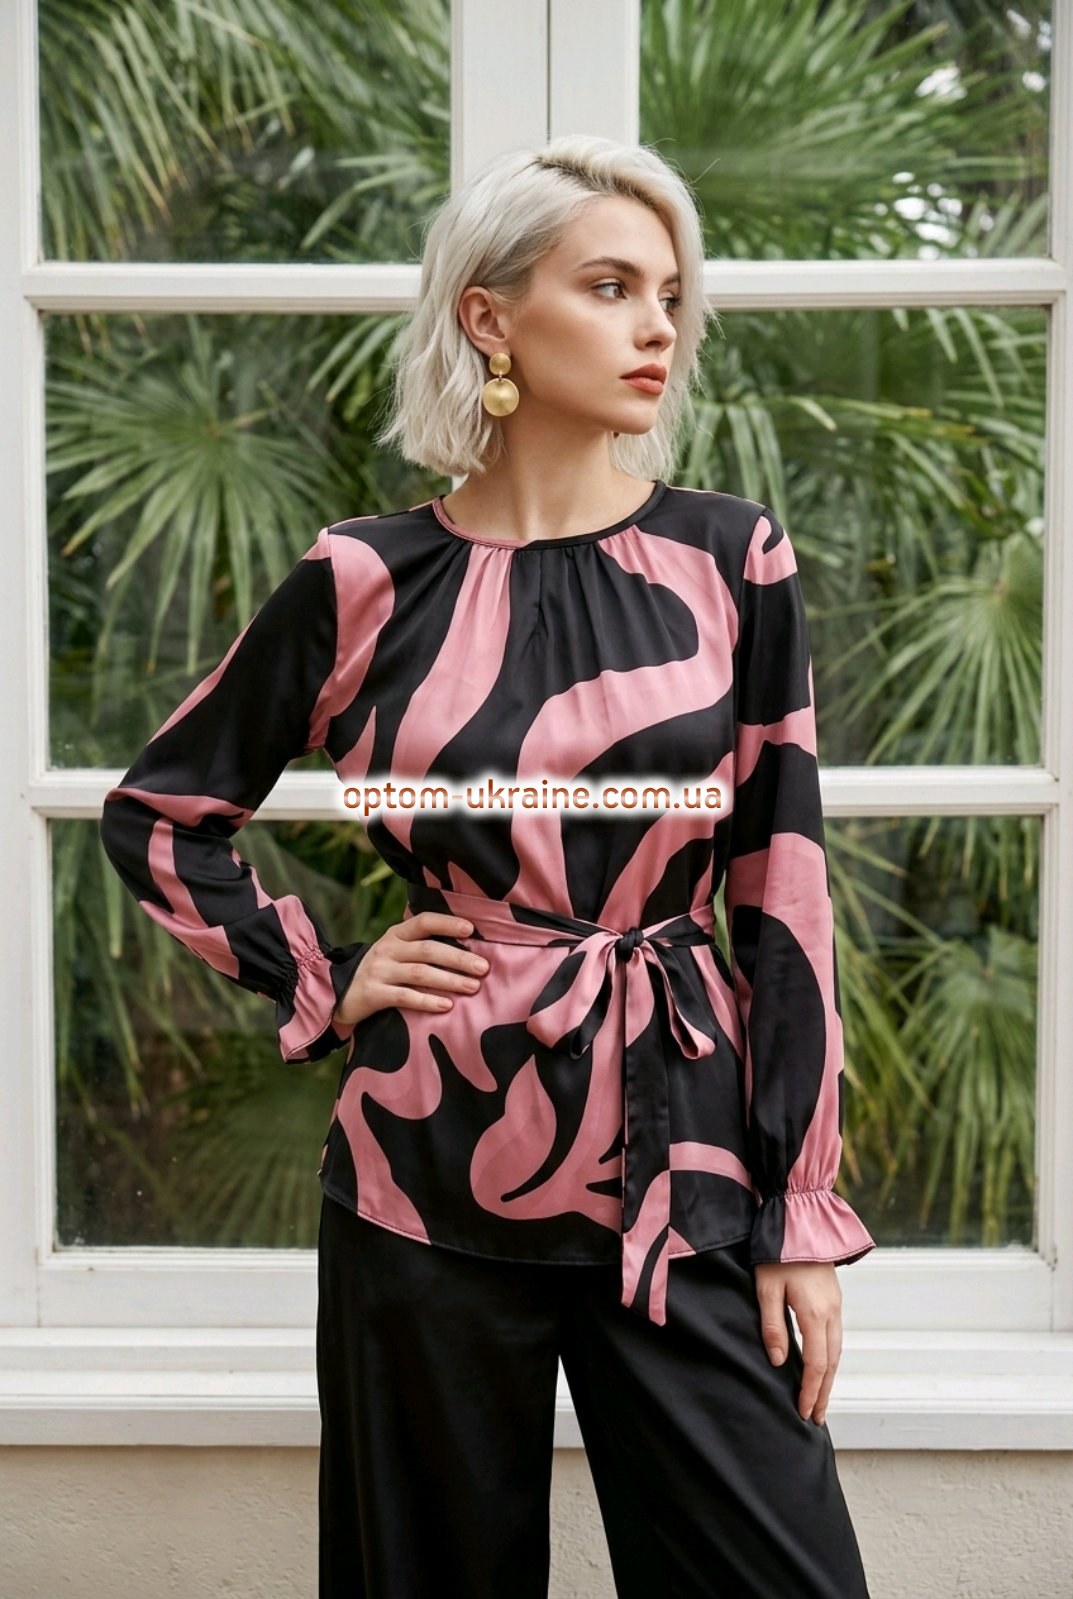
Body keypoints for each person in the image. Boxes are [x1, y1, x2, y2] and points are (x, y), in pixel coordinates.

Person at [99, 134, 876, 1599]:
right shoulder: (364, 579)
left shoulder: (730, 559)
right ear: (490, 316)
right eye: (610, 286)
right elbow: (159, 815)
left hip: (687, 1167)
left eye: (669, 294)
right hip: (422, 1166)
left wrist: (797, 1206)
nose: (657, 327)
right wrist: (325, 978)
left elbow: (783, 884)